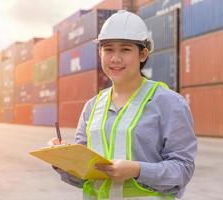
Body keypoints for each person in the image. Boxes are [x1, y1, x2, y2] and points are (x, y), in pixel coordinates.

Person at [48, 10, 197, 200]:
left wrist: (137, 170)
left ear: (143, 54)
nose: (115, 58)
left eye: (125, 49)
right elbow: (83, 178)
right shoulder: (92, 107)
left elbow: (183, 170)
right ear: (100, 52)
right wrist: (62, 160)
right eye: (108, 49)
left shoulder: (169, 103)